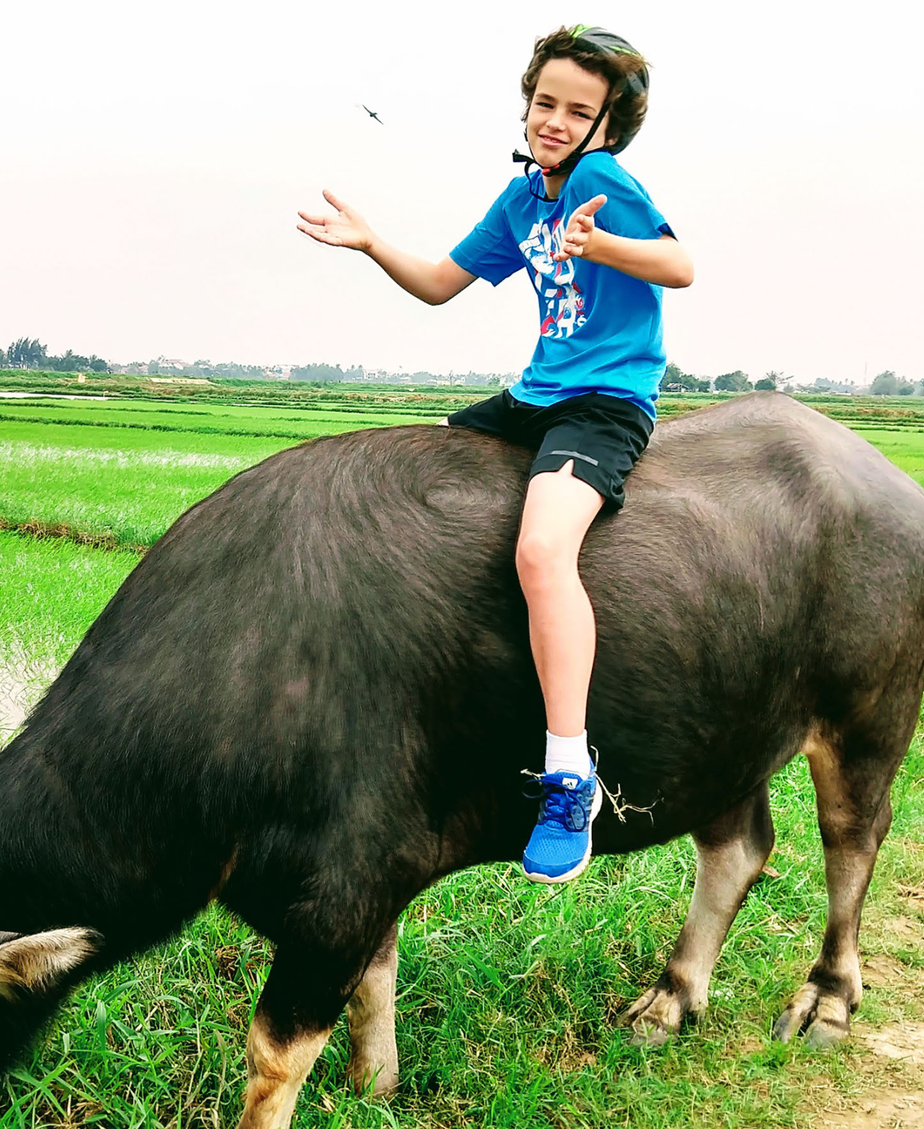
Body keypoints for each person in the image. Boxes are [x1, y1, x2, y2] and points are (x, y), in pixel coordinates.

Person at [296, 24, 692, 884]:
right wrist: (370, 241)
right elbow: (441, 283)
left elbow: (680, 264)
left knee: (542, 549)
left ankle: (568, 774)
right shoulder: (523, 201)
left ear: (607, 126)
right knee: (408, 494)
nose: (554, 120)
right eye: (544, 102)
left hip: (604, 403)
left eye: (576, 110)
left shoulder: (599, 180)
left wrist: (604, 246)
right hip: (534, 396)